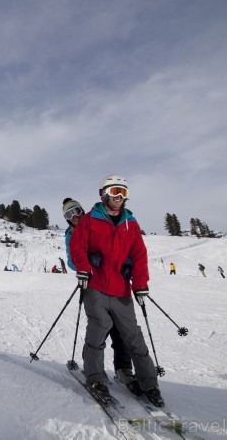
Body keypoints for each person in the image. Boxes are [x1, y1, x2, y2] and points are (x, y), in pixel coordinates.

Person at [69, 174, 164, 407]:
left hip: (121, 289)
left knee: (132, 335)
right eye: (114, 192)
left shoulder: (131, 224)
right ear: (103, 194)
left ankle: (149, 382)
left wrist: (140, 283)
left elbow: (139, 256)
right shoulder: (90, 220)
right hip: (96, 286)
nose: (119, 197)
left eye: (123, 192)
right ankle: (95, 378)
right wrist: (84, 267)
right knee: (98, 329)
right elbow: (76, 246)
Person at [63, 198, 140, 395]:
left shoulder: (96, 222)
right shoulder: (71, 234)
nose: (75, 217)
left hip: (115, 283)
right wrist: (86, 261)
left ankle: (123, 369)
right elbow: (72, 261)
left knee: (121, 329)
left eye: (77, 211)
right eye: (69, 215)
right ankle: (93, 368)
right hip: (92, 284)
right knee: (100, 327)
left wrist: (127, 265)